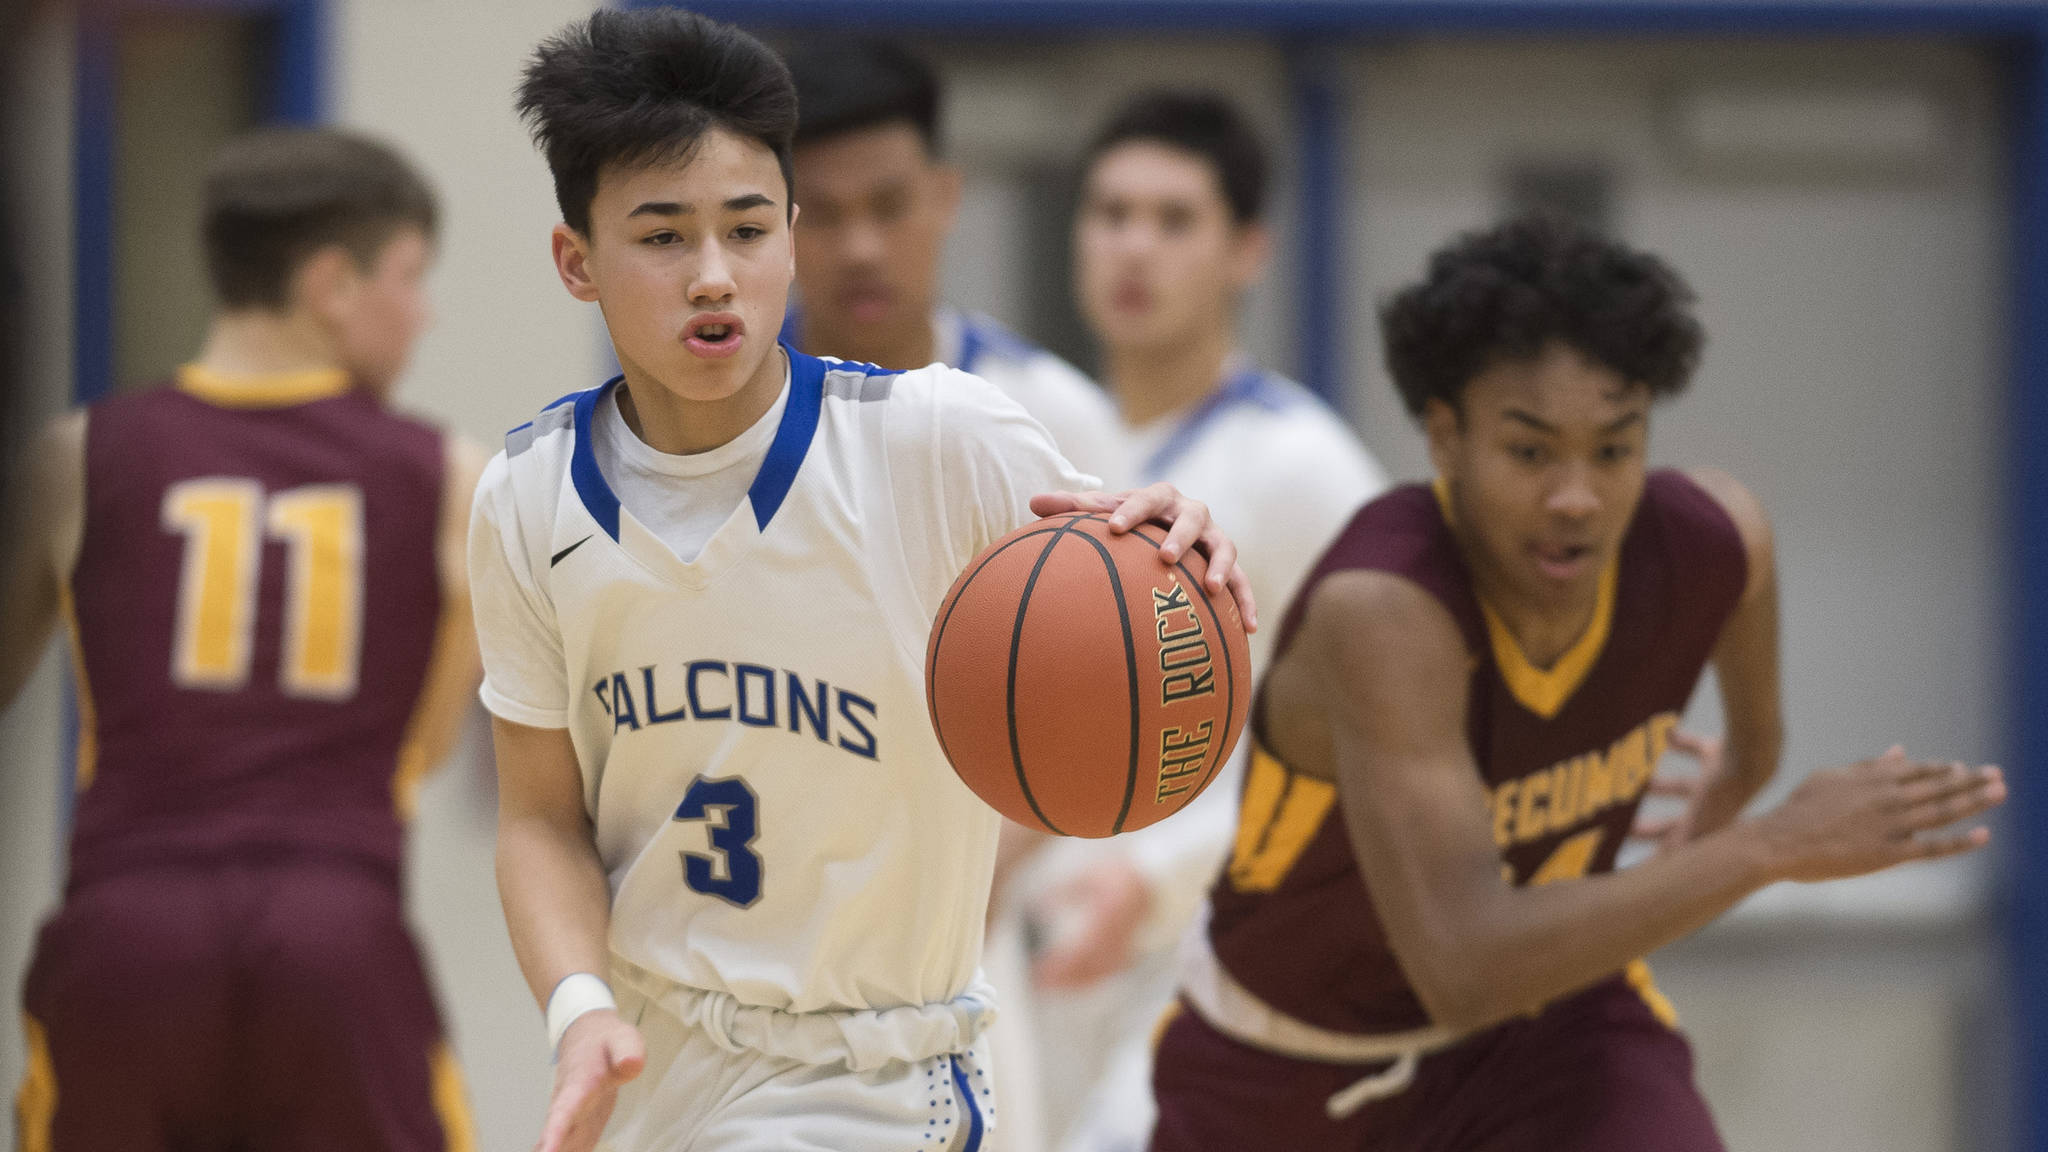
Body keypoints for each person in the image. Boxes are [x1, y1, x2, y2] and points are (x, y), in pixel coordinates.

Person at [472, 12, 1253, 1152]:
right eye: (661, 237)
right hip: (652, 1072)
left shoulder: (941, 439)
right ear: (574, 260)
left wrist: (1174, 542)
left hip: (876, 1078)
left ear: (786, 237)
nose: (712, 277)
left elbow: (1136, 591)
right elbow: (539, 819)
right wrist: (578, 1008)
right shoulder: (527, 495)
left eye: (745, 229)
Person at [1148, 214, 2006, 1151]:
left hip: (1549, 1037)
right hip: (1286, 1063)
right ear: (1445, 438)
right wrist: (1765, 846)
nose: (1577, 497)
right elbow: (1464, 964)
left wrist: (1725, 804)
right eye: (1530, 451)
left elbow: (1757, 747)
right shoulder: (1385, 611)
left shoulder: (1718, 545)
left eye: (1613, 447)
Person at [0, 128, 482, 1151]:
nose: (425, 312)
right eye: (410, 277)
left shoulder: (76, 455)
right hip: (333, 929)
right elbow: (425, 747)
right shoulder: (449, 477)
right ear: (330, 284)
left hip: (126, 933)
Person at [1005, 90, 1389, 1152]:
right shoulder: (1032, 443)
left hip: (1220, 960)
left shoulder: (1302, 469)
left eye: (1173, 220)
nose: (1134, 246)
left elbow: (1367, 759)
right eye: (1110, 212)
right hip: (1036, 945)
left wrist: (1156, 874)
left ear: (1246, 250)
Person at [783, 39, 1126, 485]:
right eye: (822, 213)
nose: (860, 250)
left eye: (890, 207)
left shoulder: (1058, 421)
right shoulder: (711, 412)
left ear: (945, 195)